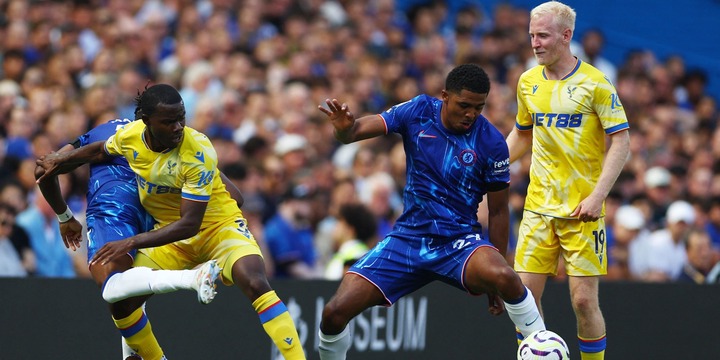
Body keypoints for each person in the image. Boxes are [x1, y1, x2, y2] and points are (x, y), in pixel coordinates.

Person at [37, 84, 305, 359]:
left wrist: (132, 241)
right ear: (146, 122)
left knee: (254, 280)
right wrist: (58, 160)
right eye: (168, 121)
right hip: (170, 237)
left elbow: (191, 223)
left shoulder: (196, 151)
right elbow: (97, 153)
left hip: (216, 228)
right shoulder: (130, 136)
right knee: (121, 304)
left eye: (182, 118)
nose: (178, 127)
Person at [316, 63, 546, 360]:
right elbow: (355, 131)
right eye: (464, 105)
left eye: (479, 107)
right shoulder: (419, 111)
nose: (471, 114)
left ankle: (541, 343)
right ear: (445, 96)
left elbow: (500, 212)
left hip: (458, 242)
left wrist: (494, 285)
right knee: (334, 313)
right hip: (408, 239)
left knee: (505, 277)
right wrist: (345, 129)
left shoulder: (491, 143)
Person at [36, 117, 224, 360]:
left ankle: (192, 278)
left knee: (112, 287)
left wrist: (64, 217)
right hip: (160, 213)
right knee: (127, 299)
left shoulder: (101, 132)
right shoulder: (181, 138)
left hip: (115, 208)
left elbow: (42, 170)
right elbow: (235, 196)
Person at [505, 2, 631, 359]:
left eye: (542, 35)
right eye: (532, 35)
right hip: (538, 206)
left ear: (566, 36)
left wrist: (597, 196)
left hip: (583, 210)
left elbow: (621, 140)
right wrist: (490, 164)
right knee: (524, 301)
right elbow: (522, 134)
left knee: (582, 301)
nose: (535, 43)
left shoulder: (596, 84)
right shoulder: (528, 82)